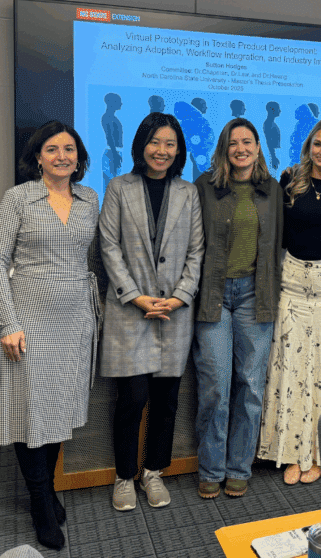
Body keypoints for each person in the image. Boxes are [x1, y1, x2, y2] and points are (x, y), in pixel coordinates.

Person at [0, 121, 106, 550]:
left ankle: (47, 488)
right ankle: (40, 500)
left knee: (58, 408)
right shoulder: (18, 198)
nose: (61, 156)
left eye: (69, 149)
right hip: (29, 320)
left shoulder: (89, 198)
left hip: (75, 320)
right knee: (29, 410)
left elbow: (93, 256)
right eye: (52, 149)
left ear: (79, 157)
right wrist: (9, 323)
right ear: (38, 156)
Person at [98, 113, 204, 512]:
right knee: (132, 400)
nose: (162, 150)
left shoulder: (188, 192)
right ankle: (125, 476)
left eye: (170, 144)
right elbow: (109, 246)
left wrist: (180, 296)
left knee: (166, 400)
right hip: (131, 311)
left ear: (179, 150)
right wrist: (135, 296)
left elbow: (196, 250)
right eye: (155, 142)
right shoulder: (118, 187)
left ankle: (154, 472)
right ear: (141, 145)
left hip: (174, 311)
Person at [258, 119, 321, 485]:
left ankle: (319, 454)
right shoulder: (290, 179)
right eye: (318, 144)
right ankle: (291, 452)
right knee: (291, 366)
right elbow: (281, 230)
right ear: (309, 146)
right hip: (293, 282)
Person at [193, 118, 284, 499]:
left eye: (247, 142)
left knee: (250, 386)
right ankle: (211, 468)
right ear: (224, 149)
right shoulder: (204, 187)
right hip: (213, 295)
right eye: (233, 143)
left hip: (255, 295)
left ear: (258, 147)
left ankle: (238, 467)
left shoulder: (273, 190)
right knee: (215, 386)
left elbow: (287, 238)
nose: (241, 149)